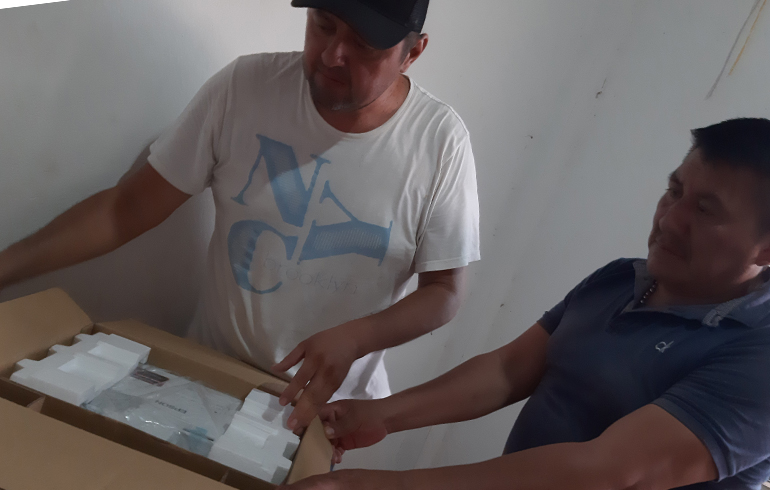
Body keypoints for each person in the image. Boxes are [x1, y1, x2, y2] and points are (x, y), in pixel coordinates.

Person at [0, 0, 480, 432]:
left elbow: (444, 291)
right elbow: (125, 210)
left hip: (324, 414)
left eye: (364, 44)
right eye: (322, 24)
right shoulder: (246, 88)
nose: (334, 54)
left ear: (412, 53)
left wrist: (359, 337)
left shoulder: (439, 143)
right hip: (205, 376)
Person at [272, 118, 770, 490]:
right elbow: (508, 370)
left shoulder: (758, 354)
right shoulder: (621, 279)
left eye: (706, 210)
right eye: (675, 191)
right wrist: (382, 414)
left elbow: (610, 481)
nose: (671, 218)